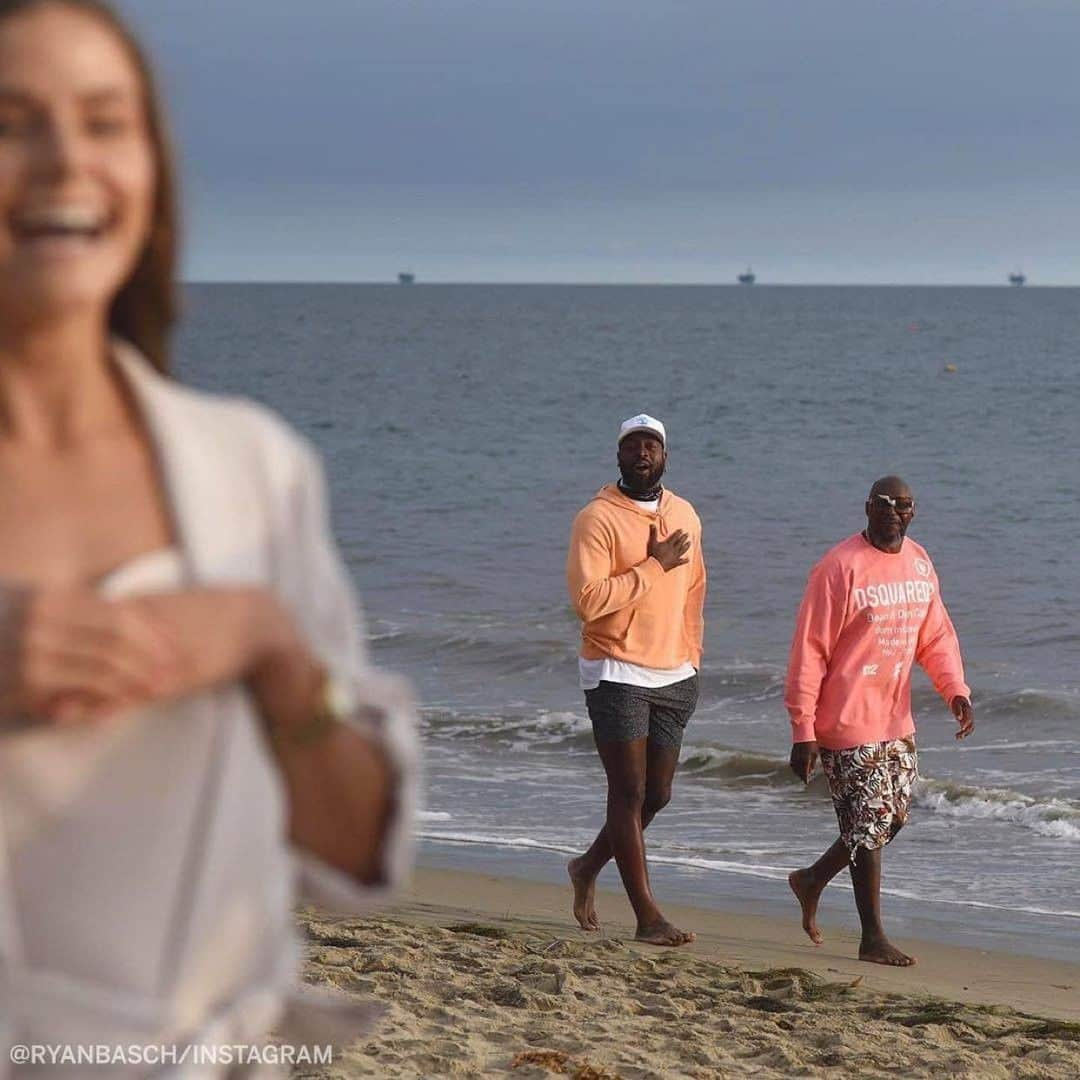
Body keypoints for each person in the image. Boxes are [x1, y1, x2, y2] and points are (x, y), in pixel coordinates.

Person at [0, 0, 416, 1068]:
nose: (64, 163)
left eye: (105, 122)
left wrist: (275, 651)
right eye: (11, 121)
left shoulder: (252, 470)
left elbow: (355, 852)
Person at [784, 475, 974, 967]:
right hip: (845, 719)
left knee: (891, 818)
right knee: (866, 823)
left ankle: (811, 879)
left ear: (914, 512)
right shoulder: (838, 567)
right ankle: (872, 938)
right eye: (884, 503)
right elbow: (810, 650)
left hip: (896, 718)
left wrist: (955, 690)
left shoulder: (919, 562)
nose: (893, 511)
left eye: (903, 504)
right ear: (867, 507)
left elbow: (935, 636)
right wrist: (802, 728)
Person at [565, 414, 705, 946]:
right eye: (632, 445)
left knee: (658, 794)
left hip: (674, 670)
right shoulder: (596, 519)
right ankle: (647, 915)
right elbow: (588, 602)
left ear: (665, 456)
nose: (642, 452)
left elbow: (695, 589)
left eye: (652, 445)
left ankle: (585, 867)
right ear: (618, 456)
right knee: (628, 791)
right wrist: (652, 566)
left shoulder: (685, 515)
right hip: (615, 667)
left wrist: (692, 655)